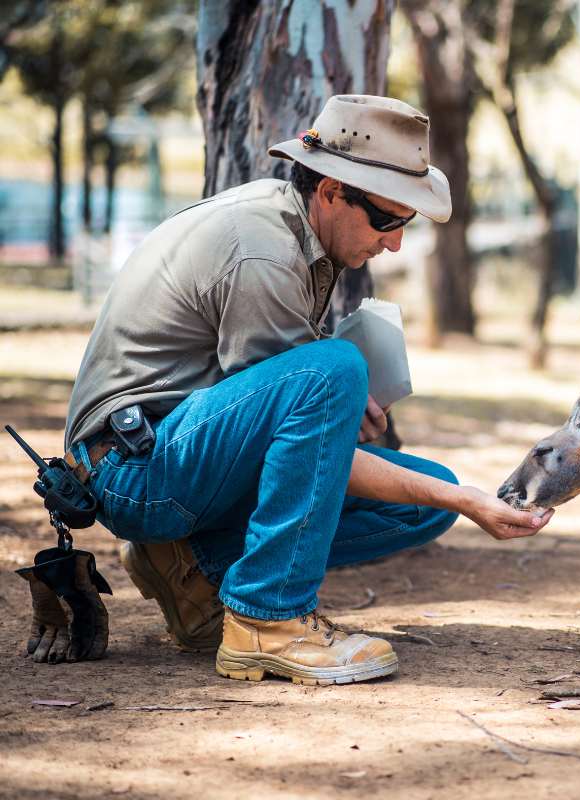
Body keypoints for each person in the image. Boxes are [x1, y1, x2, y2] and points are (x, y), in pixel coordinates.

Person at [59, 95, 552, 685]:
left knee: (426, 496)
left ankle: (197, 567)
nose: (395, 243)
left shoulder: (301, 232)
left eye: (406, 223)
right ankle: (267, 617)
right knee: (339, 373)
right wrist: (468, 501)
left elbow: (285, 443)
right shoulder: (264, 250)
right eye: (387, 220)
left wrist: (342, 424)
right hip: (132, 472)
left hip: (174, 455)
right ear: (331, 192)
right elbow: (299, 432)